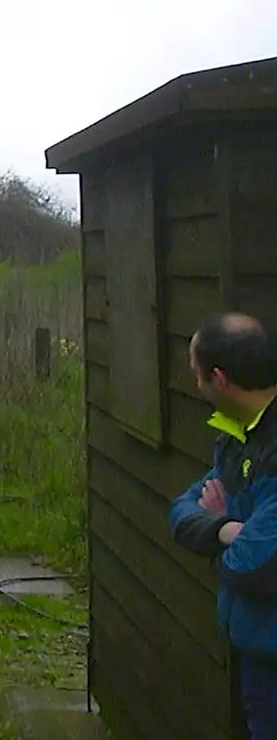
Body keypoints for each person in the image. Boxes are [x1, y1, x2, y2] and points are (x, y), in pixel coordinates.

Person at [169, 311, 277, 740]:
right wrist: (228, 530)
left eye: (197, 376)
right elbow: (182, 508)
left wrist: (220, 524)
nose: (197, 387)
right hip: (257, 647)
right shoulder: (236, 436)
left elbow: (255, 564)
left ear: (219, 378)